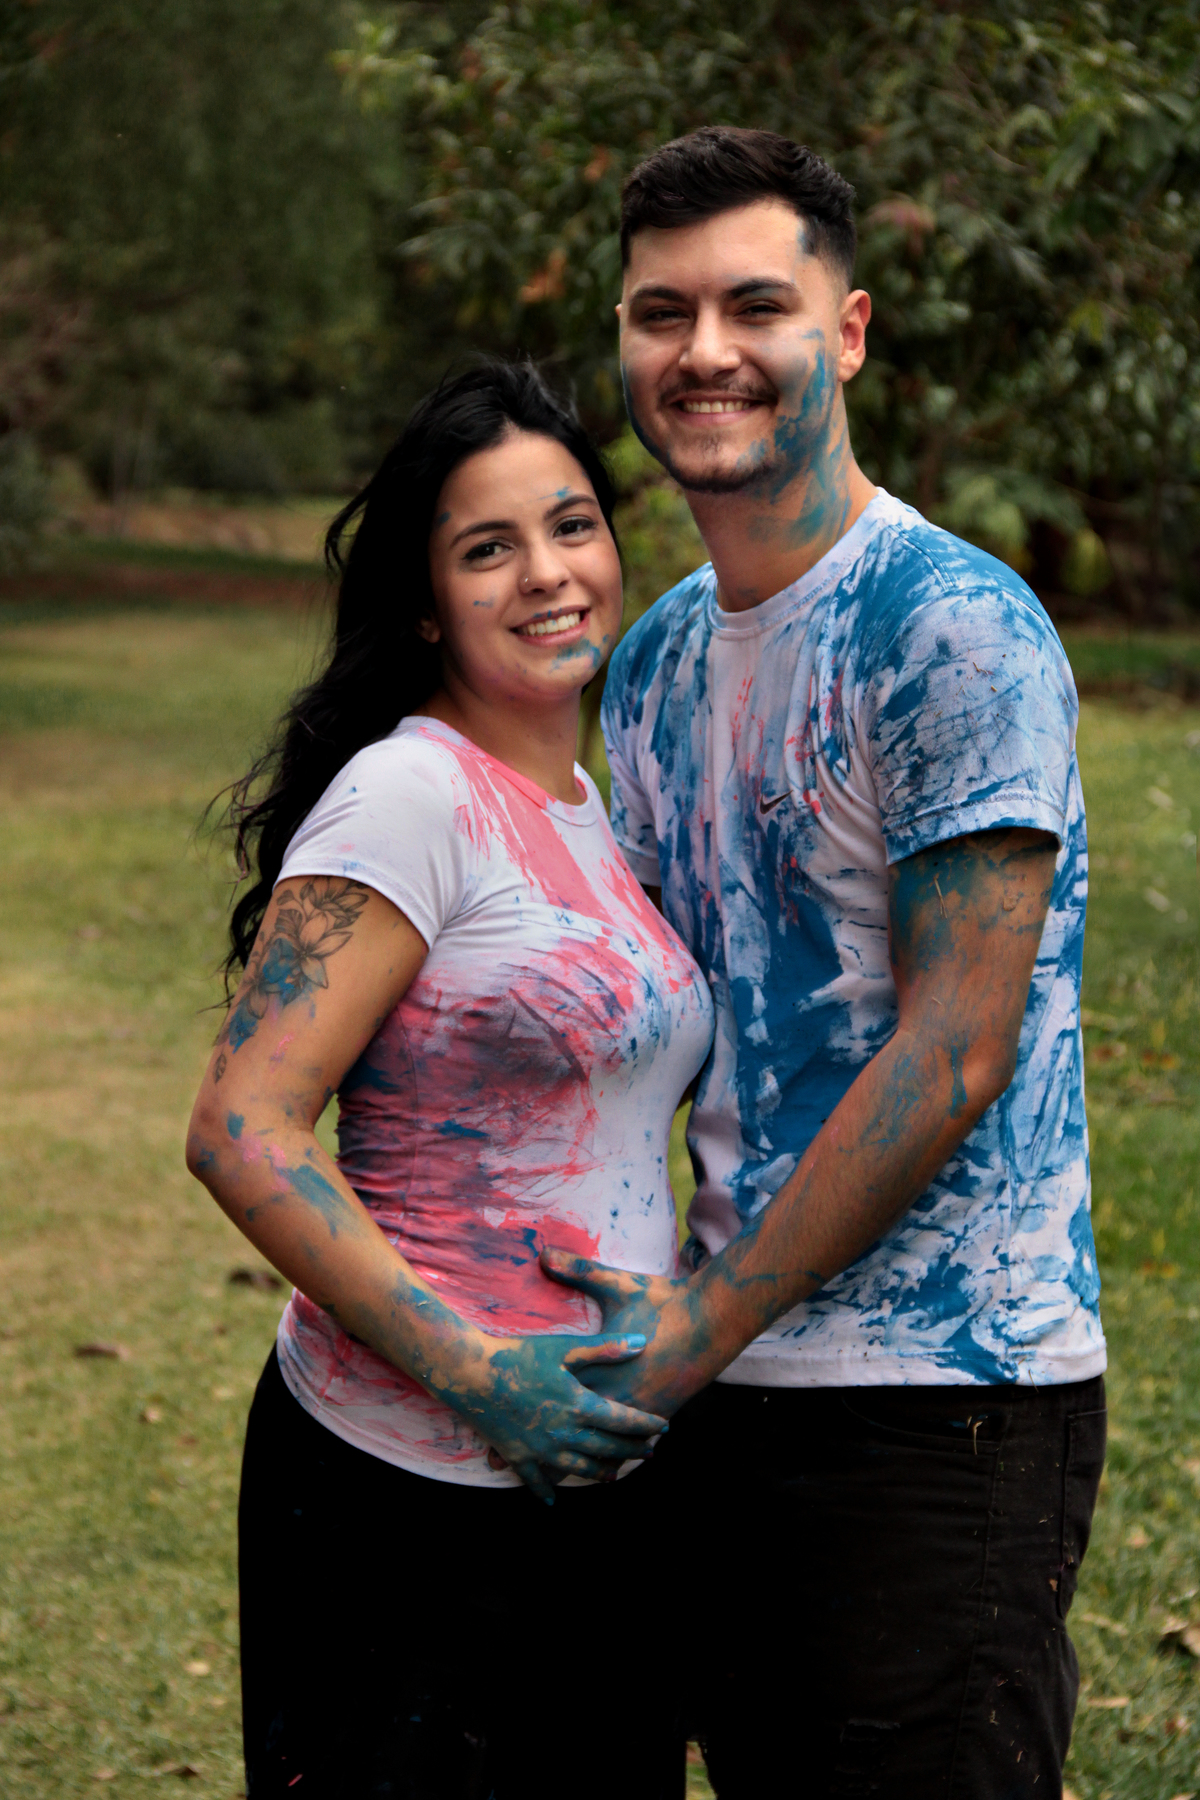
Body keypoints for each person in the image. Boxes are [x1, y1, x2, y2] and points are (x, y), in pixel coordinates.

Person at [543, 126, 1108, 1797]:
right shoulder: (646, 665)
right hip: (723, 1392)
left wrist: (695, 1327)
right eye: (661, 312)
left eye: (753, 304)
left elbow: (954, 1051)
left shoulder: (952, 627)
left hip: (944, 1400)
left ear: (845, 331)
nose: (703, 351)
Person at [185, 361, 714, 1799]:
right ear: (427, 602)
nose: (549, 574)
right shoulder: (410, 796)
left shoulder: (597, 816)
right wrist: (482, 1373)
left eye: (573, 525)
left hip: (593, 1496)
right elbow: (242, 1128)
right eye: (489, 549)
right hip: (399, 1492)